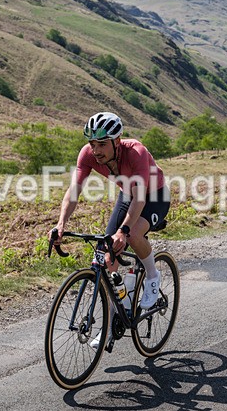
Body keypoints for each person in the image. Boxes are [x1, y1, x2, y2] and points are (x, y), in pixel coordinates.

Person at [51, 112, 171, 316]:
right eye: (92, 144)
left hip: (155, 196)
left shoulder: (136, 152)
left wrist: (123, 231)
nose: (96, 151)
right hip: (128, 194)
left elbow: (140, 199)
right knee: (107, 254)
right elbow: (74, 191)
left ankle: (152, 275)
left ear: (117, 141)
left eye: (102, 144)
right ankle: (116, 314)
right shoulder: (87, 154)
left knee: (131, 235)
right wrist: (61, 224)